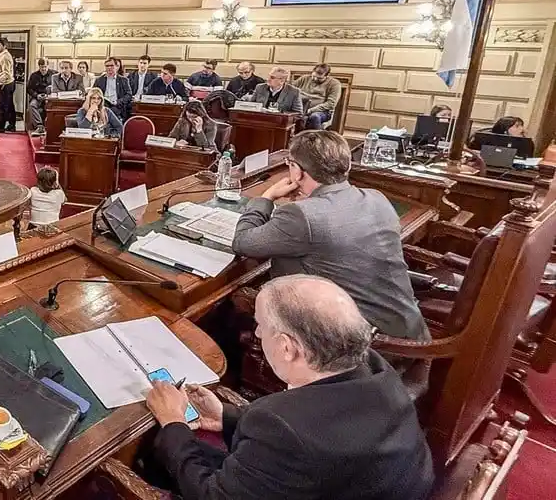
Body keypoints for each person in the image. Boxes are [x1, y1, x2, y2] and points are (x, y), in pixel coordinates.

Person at [143, 274, 434, 500]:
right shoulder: (374, 367)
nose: (256, 332)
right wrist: (227, 416)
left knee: (158, 457)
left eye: (260, 325)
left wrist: (173, 423)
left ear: (287, 347)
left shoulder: (282, 427)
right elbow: (320, 435)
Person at [231, 130, 429, 342]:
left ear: (297, 171)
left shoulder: (301, 215)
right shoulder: (376, 198)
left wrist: (267, 197)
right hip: (410, 332)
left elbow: (243, 242)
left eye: (290, 163)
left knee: (235, 310)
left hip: (362, 347)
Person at [295, 63, 343, 129]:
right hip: (300, 108)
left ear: (327, 75)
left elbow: (331, 104)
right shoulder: (304, 78)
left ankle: (316, 138)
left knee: (314, 117)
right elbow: (291, 90)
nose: (315, 79)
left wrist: (310, 110)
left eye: (319, 78)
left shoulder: (334, 84)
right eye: (313, 76)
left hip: (322, 112)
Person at [25, 58, 52, 136]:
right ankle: (39, 126)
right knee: (32, 105)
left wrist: (48, 95)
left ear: (48, 66)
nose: (43, 69)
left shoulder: (54, 74)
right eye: (41, 67)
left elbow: (56, 88)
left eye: (45, 67)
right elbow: (29, 89)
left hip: (49, 97)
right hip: (37, 97)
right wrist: (36, 95)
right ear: (39, 66)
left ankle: (50, 127)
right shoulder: (34, 75)